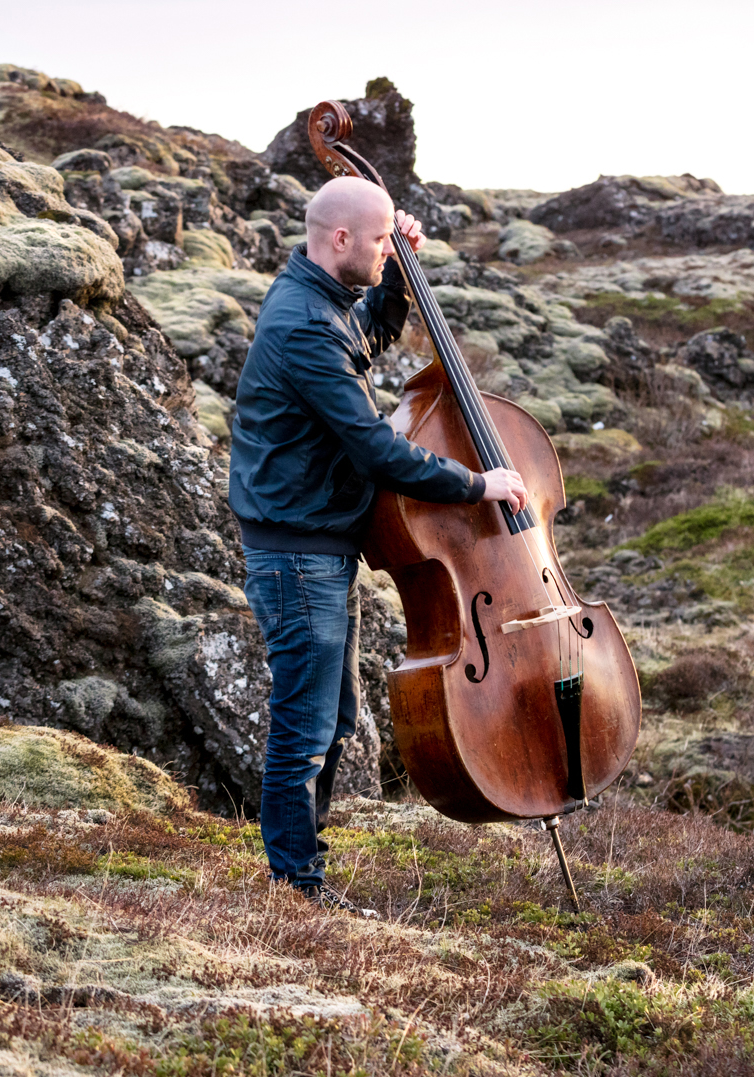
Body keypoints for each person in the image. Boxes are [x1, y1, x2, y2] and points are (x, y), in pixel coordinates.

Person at [226, 176, 528, 910]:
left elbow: (370, 332)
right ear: (338, 240)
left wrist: (395, 273)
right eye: (378, 240)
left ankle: (301, 873)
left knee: (334, 719)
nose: (386, 248)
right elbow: (374, 448)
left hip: (321, 542)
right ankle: (294, 886)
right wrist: (475, 484)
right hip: (297, 548)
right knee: (304, 724)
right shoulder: (302, 323)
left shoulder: (322, 300)